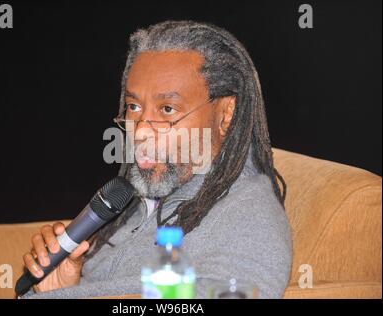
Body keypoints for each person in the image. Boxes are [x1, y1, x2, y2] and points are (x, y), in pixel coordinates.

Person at [21, 20, 292, 299]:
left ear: (226, 113)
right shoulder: (133, 202)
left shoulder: (246, 211)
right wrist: (64, 288)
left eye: (167, 109)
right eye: (134, 107)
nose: (139, 131)